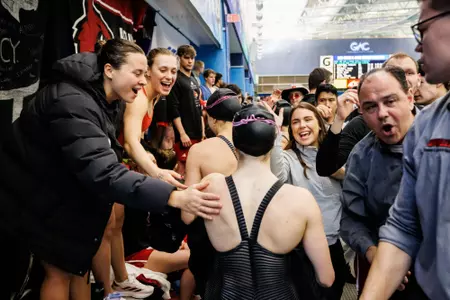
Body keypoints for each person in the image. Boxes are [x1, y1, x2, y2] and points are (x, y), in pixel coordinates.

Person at [0, 39, 221, 300]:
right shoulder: (73, 101)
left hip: (62, 192)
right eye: (138, 73)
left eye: (144, 74)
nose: (143, 81)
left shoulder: (107, 98)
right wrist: (172, 194)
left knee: (75, 266)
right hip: (35, 194)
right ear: (109, 70)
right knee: (59, 272)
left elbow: (104, 156)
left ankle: (112, 286)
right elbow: (103, 169)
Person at [184, 104, 335, 299]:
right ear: (274, 142)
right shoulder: (300, 200)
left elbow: (187, 218)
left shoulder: (211, 186)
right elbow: (326, 278)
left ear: (235, 143)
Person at [360, 0, 450, 299]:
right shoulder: (427, 129)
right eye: (371, 107)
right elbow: (403, 227)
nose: (419, 46)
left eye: (423, 29)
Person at [92, 47, 187, 298]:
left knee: (115, 226)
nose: (169, 76)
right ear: (149, 72)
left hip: (120, 165)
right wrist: (155, 173)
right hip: (111, 167)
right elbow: (130, 143)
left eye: (174, 71)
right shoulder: (142, 97)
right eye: (162, 70)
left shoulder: (152, 98)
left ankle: (121, 279)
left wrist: (150, 160)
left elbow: (137, 143)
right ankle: (108, 287)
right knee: (107, 227)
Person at [339, 66, 420, 298]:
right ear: (362, 115)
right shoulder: (361, 156)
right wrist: (375, 254)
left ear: (410, 99)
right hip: (391, 280)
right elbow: (352, 219)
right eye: (371, 107)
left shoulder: (440, 139)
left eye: (390, 101)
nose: (382, 113)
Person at [270, 102, 346, 299]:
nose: (302, 125)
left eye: (308, 119)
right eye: (295, 122)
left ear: (319, 124)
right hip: (300, 251)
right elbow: (277, 179)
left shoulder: (334, 158)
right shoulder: (288, 157)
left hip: (334, 246)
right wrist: (276, 134)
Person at [182, 88, 242, 299]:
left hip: (211, 243)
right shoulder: (254, 145)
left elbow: (188, 214)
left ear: (212, 119)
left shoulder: (200, 150)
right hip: (250, 240)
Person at [167, 45, 205, 176]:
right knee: (182, 168)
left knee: (195, 169)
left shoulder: (194, 80)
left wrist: (203, 131)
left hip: (197, 132)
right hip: (185, 133)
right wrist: (182, 133)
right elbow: (173, 109)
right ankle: (177, 194)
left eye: (192, 58)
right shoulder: (176, 79)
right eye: (186, 58)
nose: (190, 61)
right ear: (179, 58)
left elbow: (199, 107)